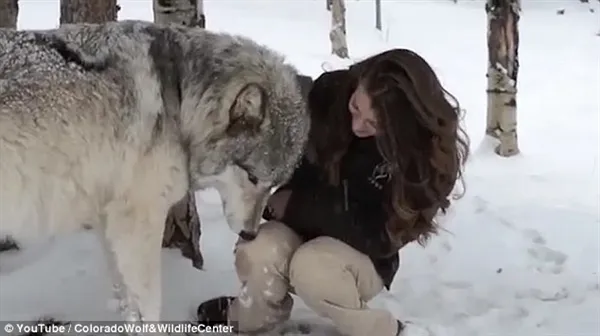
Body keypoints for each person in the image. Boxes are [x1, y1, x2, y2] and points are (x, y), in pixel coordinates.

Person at [196, 48, 470, 336]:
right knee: (258, 250)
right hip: (297, 226)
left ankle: (385, 331)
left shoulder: (426, 156)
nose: (357, 126)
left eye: (374, 125)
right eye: (355, 108)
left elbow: (383, 237)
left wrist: (298, 205)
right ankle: (252, 319)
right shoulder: (331, 93)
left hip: (360, 256)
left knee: (313, 267)